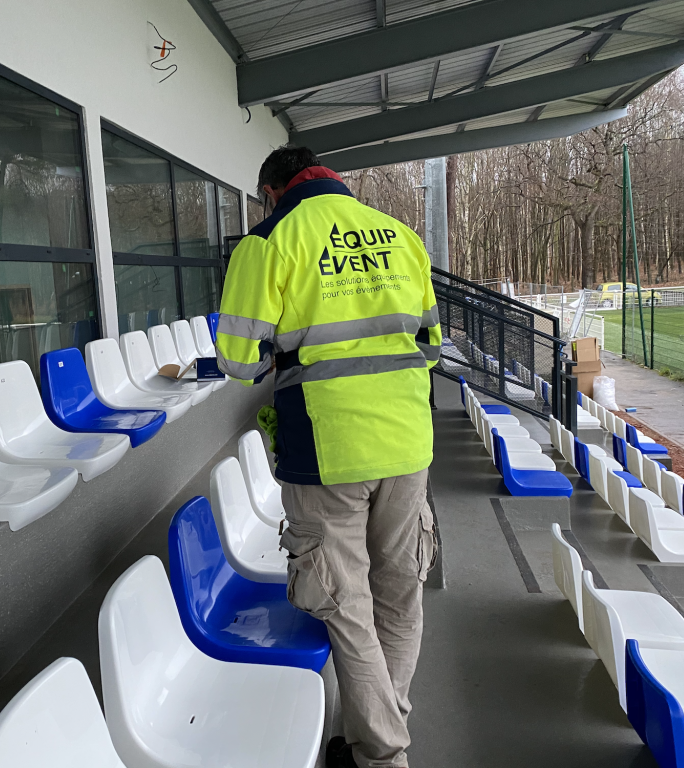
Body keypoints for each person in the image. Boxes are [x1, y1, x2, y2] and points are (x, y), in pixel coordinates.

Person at [215, 145, 441, 768]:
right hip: (407, 441)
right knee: (400, 595)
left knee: (346, 606)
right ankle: (385, 722)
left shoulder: (265, 242)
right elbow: (431, 349)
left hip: (326, 449)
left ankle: (382, 752)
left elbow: (238, 361)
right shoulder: (401, 235)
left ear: (270, 191)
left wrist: (286, 353)